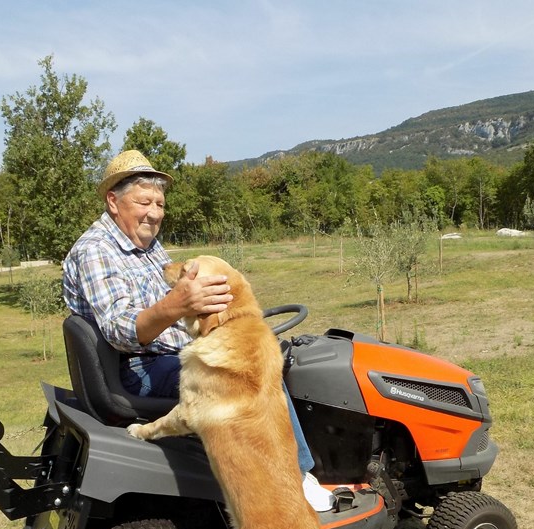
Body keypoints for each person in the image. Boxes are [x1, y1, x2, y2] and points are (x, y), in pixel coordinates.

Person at [62, 150, 333, 510]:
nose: (155, 212)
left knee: (263, 355)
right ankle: (297, 478)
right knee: (254, 372)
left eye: (160, 203)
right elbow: (119, 330)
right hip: (139, 368)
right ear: (114, 200)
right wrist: (180, 304)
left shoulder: (147, 247)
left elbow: (186, 304)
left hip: (174, 354)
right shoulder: (97, 251)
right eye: (145, 201)